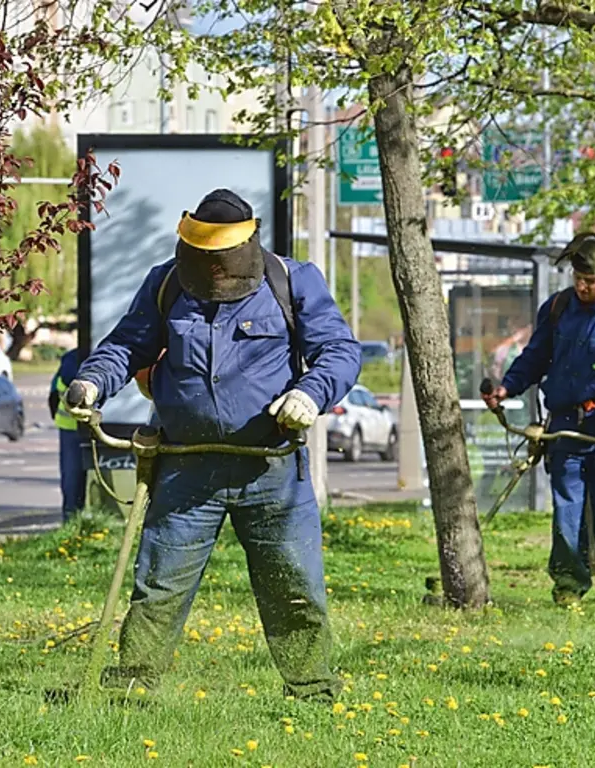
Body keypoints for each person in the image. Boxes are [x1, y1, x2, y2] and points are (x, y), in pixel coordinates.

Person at [63, 189, 361, 700]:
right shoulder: (165, 283)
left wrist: (309, 395)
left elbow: (339, 350)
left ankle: (311, 692)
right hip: (185, 468)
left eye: (222, 261)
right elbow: (125, 345)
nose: (214, 272)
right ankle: (131, 690)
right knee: (158, 588)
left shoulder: (292, 280)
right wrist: (92, 382)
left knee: (293, 589)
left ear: (245, 248)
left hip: (270, 470)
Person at [481, 232, 595, 612]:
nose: (582, 286)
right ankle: (568, 584)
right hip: (563, 429)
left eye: (590, 281)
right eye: (577, 278)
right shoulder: (557, 310)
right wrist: (506, 389)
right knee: (567, 511)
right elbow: (534, 358)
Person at [49, 348, 86, 522]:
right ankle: (77, 519)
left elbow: (53, 395)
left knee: (71, 477)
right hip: (90, 428)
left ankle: (70, 520)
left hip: (69, 428)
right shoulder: (91, 356)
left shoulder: (70, 359)